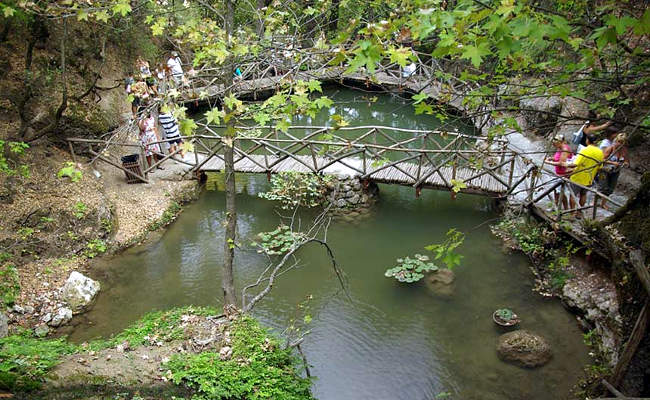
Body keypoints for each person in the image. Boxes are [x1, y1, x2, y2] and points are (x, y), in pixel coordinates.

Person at [568, 133, 604, 217]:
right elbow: (600, 166)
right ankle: (579, 213)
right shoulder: (600, 152)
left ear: (587, 140)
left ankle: (572, 213)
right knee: (583, 195)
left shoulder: (584, 150)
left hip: (577, 176)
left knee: (573, 195)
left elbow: (576, 164)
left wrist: (565, 165)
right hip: (589, 178)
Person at [598, 132, 628, 210]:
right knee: (603, 187)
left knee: (610, 188)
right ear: (616, 140)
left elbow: (626, 160)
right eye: (619, 141)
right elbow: (602, 159)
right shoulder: (610, 148)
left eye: (622, 142)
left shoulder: (624, 150)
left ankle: (603, 203)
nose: (619, 144)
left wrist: (625, 163)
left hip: (615, 171)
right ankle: (596, 201)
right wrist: (612, 162)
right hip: (605, 170)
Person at [544, 133, 572, 210]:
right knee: (556, 191)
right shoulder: (560, 148)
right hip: (558, 173)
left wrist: (548, 162)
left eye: (555, 144)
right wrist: (552, 158)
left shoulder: (565, 149)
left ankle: (565, 208)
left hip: (563, 174)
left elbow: (561, 163)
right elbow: (558, 158)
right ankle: (555, 206)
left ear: (560, 142)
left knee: (560, 192)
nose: (554, 145)